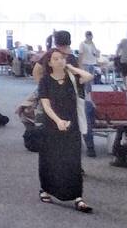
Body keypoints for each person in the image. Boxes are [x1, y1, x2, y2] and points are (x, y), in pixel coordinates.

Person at [36, 47, 95, 213]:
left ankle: (78, 197)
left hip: (72, 124)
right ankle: (46, 189)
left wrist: (71, 67)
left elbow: (88, 76)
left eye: (62, 58)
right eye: (55, 59)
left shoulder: (73, 78)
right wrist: (57, 121)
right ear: (49, 63)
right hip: (52, 125)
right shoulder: (45, 81)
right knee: (51, 159)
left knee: (73, 160)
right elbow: (45, 104)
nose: (60, 61)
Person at [33, 30, 97, 159]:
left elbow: (36, 71)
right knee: (79, 122)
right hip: (74, 95)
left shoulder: (51, 55)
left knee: (54, 123)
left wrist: (44, 87)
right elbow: (83, 74)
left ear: (55, 41)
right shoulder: (71, 57)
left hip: (58, 95)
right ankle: (89, 148)